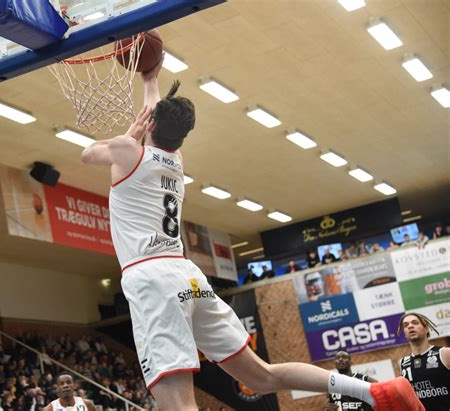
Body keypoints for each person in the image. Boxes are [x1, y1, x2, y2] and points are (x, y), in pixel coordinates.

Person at [81, 59, 424, 411]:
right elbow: (153, 124)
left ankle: (376, 393)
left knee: (178, 403)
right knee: (262, 375)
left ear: (149, 124)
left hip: (151, 279)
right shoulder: (175, 159)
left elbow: (87, 153)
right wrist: (150, 78)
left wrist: (129, 134)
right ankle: (374, 392)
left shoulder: (128, 150)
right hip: (187, 276)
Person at [397, 313, 450, 411]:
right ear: (404, 333)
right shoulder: (403, 362)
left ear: (426, 329)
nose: (410, 326)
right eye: (406, 325)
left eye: (415, 323)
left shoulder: (444, 353)